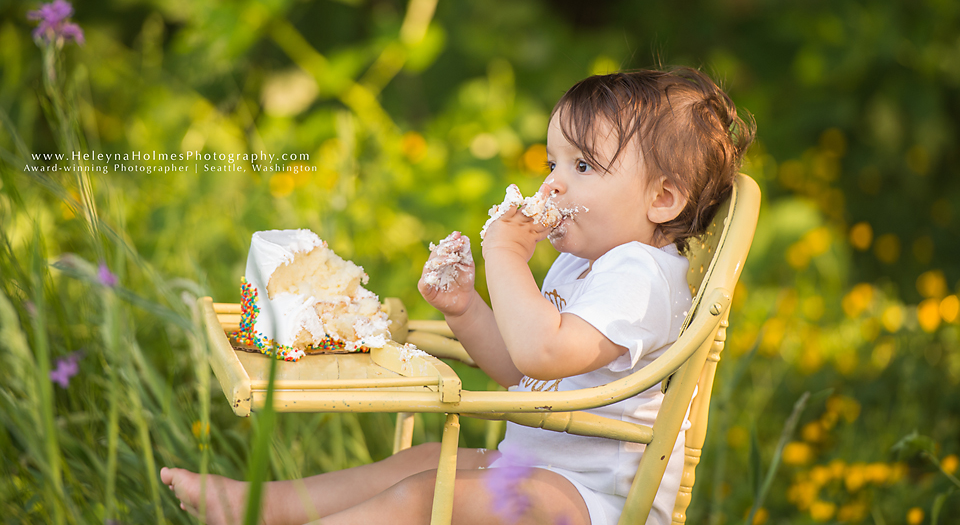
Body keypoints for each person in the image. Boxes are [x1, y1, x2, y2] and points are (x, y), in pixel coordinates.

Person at [161, 67, 754, 525]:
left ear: (663, 201)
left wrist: (505, 257)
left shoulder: (640, 274)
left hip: (593, 504)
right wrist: (467, 309)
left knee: (426, 493)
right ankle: (262, 506)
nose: (552, 182)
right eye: (553, 161)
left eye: (583, 165)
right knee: (421, 463)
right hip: (544, 474)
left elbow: (544, 355)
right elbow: (523, 374)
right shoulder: (582, 263)